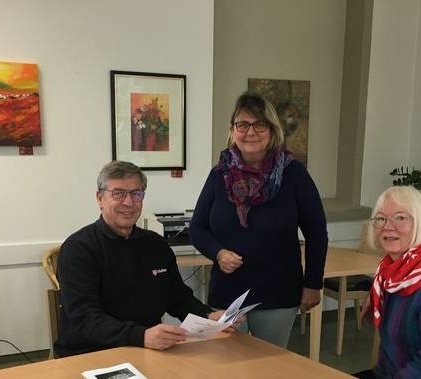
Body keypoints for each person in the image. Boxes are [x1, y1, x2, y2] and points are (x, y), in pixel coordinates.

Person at [55, 160, 238, 357]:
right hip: (91, 353)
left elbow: (177, 298)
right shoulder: (78, 249)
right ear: (100, 198)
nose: (128, 202)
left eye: (136, 193)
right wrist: (141, 336)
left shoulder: (156, 244)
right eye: (118, 193)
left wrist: (209, 316)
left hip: (148, 349)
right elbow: (85, 318)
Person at [189, 92, 328, 348]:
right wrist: (218, 253)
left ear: (272, 131)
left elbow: (317, 232)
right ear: (233, 131)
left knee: (270, 367)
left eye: (259, 124)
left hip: (278, 291)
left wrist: (312, 284)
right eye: (243, 124)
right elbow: (197, 227)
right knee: (224, 364)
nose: (250, 132)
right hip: (228, 293)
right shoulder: (219, 174)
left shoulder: (293, 173)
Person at [355, 186, 421, 378]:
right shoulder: (393, 272)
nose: (388, 226)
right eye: (380, 218)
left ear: (420, 222)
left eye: (400, 217)